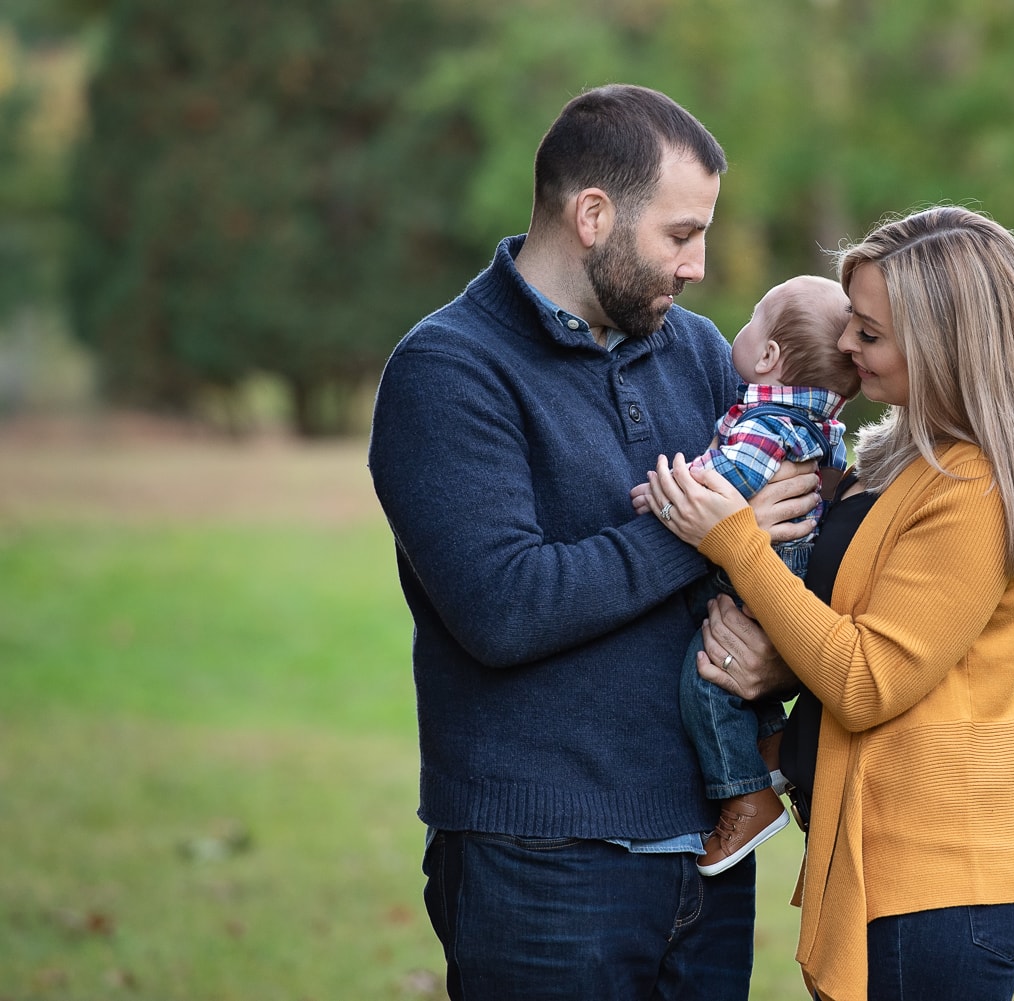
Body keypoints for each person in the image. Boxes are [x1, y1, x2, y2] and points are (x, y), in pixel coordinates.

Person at [367, 83, 821, 1001]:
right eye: (681, 234)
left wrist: (778, 654)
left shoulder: (697, 353)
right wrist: (710, 534)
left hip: (709, 854)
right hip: (542, 861)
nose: (698, 265)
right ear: (593, 214)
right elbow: (504, 605)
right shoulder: (448, 371)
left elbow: (767, 553)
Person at [642, 205, 1014, 1001]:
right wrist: (773, 669)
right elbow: (850, 634)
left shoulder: (973, 490)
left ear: (946, 345)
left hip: (937, 883)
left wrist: (734, 538)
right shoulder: (899, 458)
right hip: (882, 862)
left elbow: (868, 680)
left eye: (868, 334)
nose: (843, 347)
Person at [633, 275, 860, 877]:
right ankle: (770, 746)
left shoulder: (767, 421)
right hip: (797, 570)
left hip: (766, 562)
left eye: (755, 315)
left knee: (708, 675)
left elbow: (723, 487)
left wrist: (661, 496)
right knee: (736, 658)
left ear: (768, 357)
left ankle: (745, 796)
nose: (742, 322)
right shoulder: (823, 425)